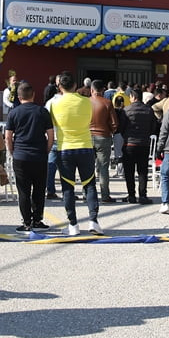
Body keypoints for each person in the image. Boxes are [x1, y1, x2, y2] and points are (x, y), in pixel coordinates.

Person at [50, 72, 101, 235]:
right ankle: (93, 221)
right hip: (85, 146)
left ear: (59, 87)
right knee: (90, 184)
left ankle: (73, 224)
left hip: (64, 148)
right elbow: (89, 120)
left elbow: (52, 125)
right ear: (75, 85)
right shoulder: (87, 102)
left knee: (67, 187)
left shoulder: (53, 104)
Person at [4, 81, 54, 231]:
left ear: (19, 97)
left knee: (23, 191)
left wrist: (12, 151)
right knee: (39, 189)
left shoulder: (14, 113)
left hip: (21, 155)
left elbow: (8, 136)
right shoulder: (42, 111)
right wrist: (47, 149)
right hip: (39, 155)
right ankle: (38, 220)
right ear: (33, 95)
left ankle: (26, 222)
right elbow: (51, 135)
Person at [121, 88, 157, 204]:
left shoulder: (126, 110)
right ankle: (143, 195)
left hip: (129, 144)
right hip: (144, 144)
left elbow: (121, 127)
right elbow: (153, 127)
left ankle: (131, 195)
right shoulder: (149, 110)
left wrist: (126, 135)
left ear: (133, 97)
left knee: (129, 171)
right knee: (142, 171)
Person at [88, 80, 119, 203]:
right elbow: (114, 123)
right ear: (103, 90)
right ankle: (105, 195)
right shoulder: (107, 103)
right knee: (103, 167)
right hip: (103, 136)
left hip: (88, 136)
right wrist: (110, 131)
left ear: (91, 90)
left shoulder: (86, 103)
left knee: (88, 167)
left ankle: (88, 194)